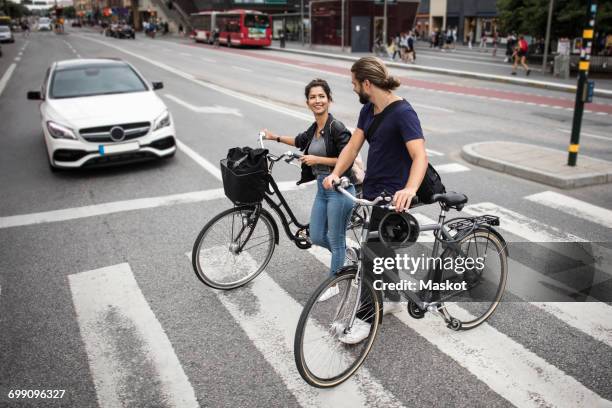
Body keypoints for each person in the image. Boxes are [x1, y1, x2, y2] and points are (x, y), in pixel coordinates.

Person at [323, 57, 428, 343]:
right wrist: (335, 173)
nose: (354, 87)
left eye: (355, 83)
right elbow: (353, 145)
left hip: (395, 197)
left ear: (367, 83)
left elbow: (420, 156)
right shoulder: (369, 111)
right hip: (373, 191)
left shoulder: (403, 112)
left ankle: (364, 320)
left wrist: (408, 189)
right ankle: (393, 298)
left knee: (370, 255)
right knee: (381, 250)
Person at [261, 79, 356, 300]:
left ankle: (334, 282)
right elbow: (298, 140)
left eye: (321, 96)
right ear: (307, 102)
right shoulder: (315, 128)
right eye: (313, 97)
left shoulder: (336, 127)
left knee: (335, 237)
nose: (317, 100)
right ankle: (344, 254)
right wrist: (273, 136)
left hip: (341, 190)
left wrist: (317, 159)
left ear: (329, 99)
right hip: (322, 189)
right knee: (315, 234)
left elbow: (347, 159)